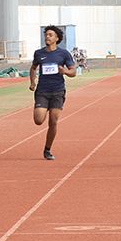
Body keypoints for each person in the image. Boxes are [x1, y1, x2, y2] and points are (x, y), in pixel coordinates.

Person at [29, 25, 76, 160]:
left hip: (57, 91)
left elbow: (73, 71)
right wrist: (32, 82)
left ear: (57, 38)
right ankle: (43, 107)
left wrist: (65, 71)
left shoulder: (63, 54)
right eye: (46, 35)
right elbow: (33, 68)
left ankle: (47, 149)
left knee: (53, 122)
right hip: (42, 91)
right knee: (38, 120)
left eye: (50, 35)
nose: (47, 37)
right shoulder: (39, 53)